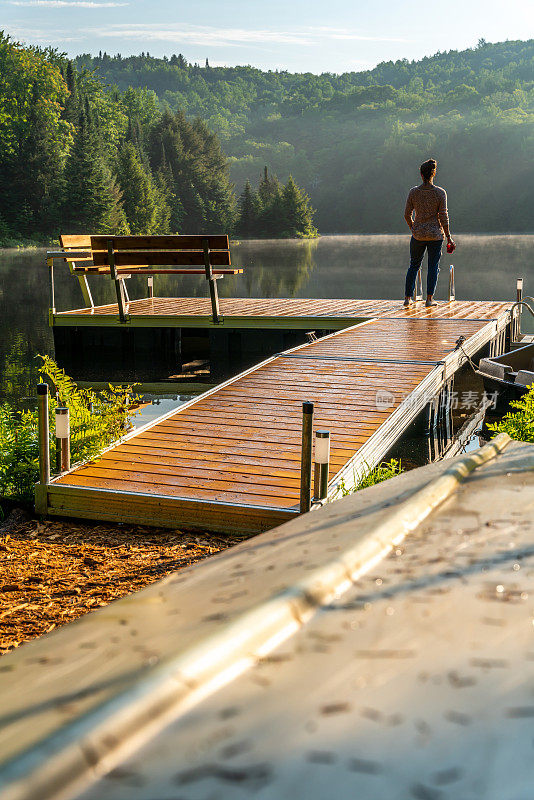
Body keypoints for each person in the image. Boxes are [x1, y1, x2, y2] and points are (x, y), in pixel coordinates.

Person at [403, 158, 455, 307]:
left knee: (414, 265)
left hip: (418, 234)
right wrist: (449, 237)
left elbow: (407, 214)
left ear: (421, 174)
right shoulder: (440, 193)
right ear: (434, 174)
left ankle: (407, 298)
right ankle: (429, 299)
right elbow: (443, 217)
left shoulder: (413, 192)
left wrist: (413, 228)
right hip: (435, 236)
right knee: (433, 267)